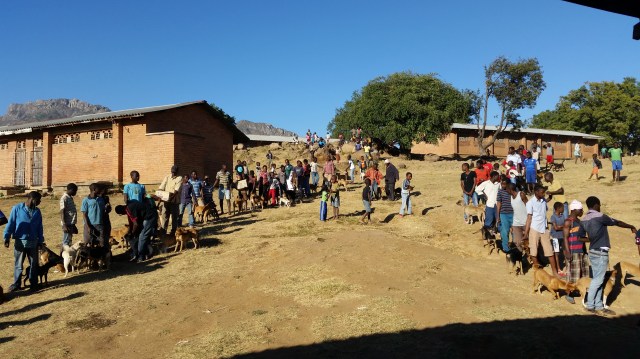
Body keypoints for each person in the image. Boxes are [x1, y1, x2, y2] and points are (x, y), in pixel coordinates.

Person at [581, 196, 637, 316]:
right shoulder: (600, 217)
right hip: (601, 252)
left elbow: (581, 237)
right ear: (596, 205)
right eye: (599, 205)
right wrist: (631, 226)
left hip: (593, 251)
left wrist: (592, 238)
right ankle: (590, 305)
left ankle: (598, 305)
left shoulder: (584, 219)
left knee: (599, 279)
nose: (600, 207)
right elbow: (617, 222)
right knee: (598, 280)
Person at [3, 191, 44, 292]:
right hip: (20, 242)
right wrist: (7, 237)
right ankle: (17, 284)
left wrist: (40, 241)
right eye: (38, 200)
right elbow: (11, 223)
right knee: (19, 264)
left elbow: (39, 227)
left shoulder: (37, 211)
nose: (40, 202)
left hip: (33, 242)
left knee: (34, 264)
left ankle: (34, 283)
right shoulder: (17, 208)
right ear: (32, 199)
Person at [523, 185, 562, 277]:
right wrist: (526, 232)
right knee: (534, 251)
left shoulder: (543, 200)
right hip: (534, 229)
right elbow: (529, 218)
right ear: (536, 192)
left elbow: (546, 203)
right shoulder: (530, 203)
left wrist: (550, 197)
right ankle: (539, 272)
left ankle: (554, 272)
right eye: (542, 192)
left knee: (549, 251)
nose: (543, 194)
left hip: (544, 229)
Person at [115, 195, 158, 262]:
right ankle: (148, 252)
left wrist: (132, 233)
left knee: (142, 236)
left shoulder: (129, 209)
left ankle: (141, 256)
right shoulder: (131, 203)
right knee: (143, 235)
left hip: (150, 217)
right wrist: (131, 231)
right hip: (149, 215)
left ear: (122, 212)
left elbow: (136, 224)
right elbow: (132, 222)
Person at [562, 200, 589, 304]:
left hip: (581, 251)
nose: (582, 211)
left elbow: (581, 238)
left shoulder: (579, 222)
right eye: (580, 209)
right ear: (574, 209)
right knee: (573, 273)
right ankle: (569, 293)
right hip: (573, 251)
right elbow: (565, 237)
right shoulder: (568, 221)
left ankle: (580, 291)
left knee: (583, 272)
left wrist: (585, 251)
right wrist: (567, 252)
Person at [158, 165, 183, 235]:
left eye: (174, 172)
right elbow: (161, 187)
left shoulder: (179, 178)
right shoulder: (167, 177)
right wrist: (159, 194)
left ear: (177, 172)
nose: (173, 174)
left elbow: (176, 191)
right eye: (172, 172)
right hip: (166, 201)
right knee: (164, 216)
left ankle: (173, 233)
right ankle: (163, 232)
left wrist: (167, 197)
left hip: (174, 201)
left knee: (174, 218)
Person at [508, 183, 528, 253]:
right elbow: (514, 210)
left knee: (528, 241)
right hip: (516, 223)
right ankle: (522, 257)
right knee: (517, 242)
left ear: (510, 190)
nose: (506, 191)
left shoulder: (521, 194)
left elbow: (528, 206)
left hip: (525, 222)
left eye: (507, 189)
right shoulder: (510, 197)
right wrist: (512, 224)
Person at [496, 178, 514, 253]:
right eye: (501, 183)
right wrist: (498, 215)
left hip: (513, 213)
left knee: (514, 232)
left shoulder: (513, 191)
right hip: (503, 214)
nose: (502, 185)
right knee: (504, 231)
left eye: (504, 184)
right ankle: (506, 248)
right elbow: (499, 203)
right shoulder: (500, 191)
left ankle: (515, 247)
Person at [549, 202, 566, 276]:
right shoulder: (553, 217)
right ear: (558, 208)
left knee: (565, 251)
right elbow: (556, 228)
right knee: (557, 253)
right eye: (562, 208)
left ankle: (565, 267)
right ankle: (558, 268)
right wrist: (563, 227)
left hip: (562, 236)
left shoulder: (562, 216)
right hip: (555, 237)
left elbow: (558, 227)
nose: (563, 209)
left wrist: (560, 227)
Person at [60, 183, 78, 248]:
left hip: (71, 223)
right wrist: (64, 225)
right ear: (71, 190)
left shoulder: (70, 198)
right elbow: (62, 211)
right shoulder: (64, 198)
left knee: (69, 241)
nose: (75, 193)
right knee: (66, 242)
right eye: (75, 191)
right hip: (67, 224)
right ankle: (62, 257)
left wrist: (73, 224)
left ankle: (67, 255)